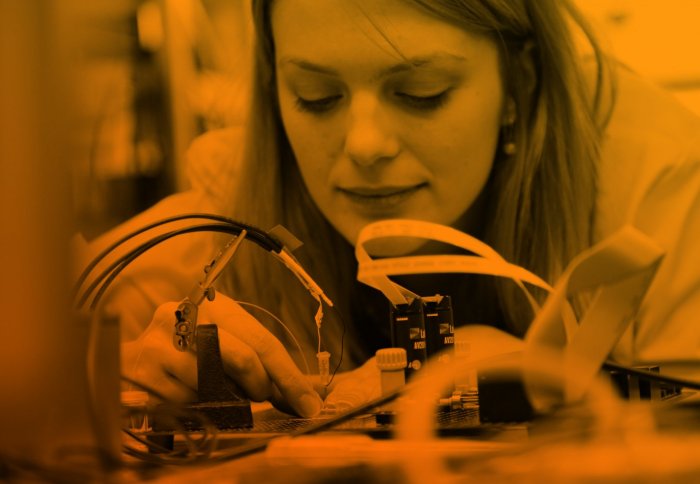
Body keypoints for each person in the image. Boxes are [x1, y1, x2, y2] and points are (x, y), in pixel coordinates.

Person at [85, 0, 700, 418]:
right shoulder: (225, 218)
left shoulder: (660, 191)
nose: (364, 144)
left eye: (419, 94)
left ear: (521, 85)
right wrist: (118, 379)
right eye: (317, 97)